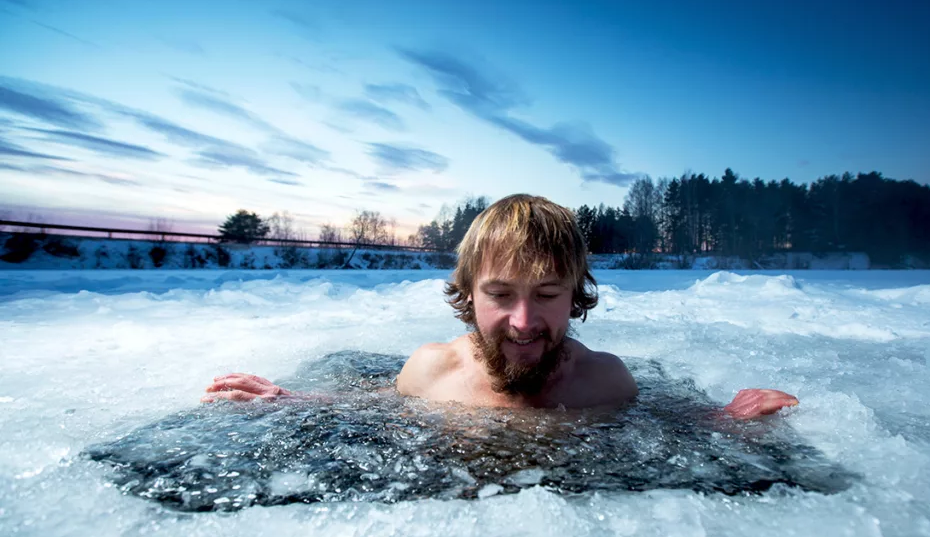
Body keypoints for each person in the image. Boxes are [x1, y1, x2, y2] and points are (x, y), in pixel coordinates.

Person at [204, 194, 798, 419]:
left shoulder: (607, 381)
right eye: (500, 294)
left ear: (575, 297)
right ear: (467, 295)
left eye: (546, 295)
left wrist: (723, 420)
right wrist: (294, 401)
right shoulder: (433, 368)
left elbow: (669, 423)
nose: (523, 322)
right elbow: (378, 405)